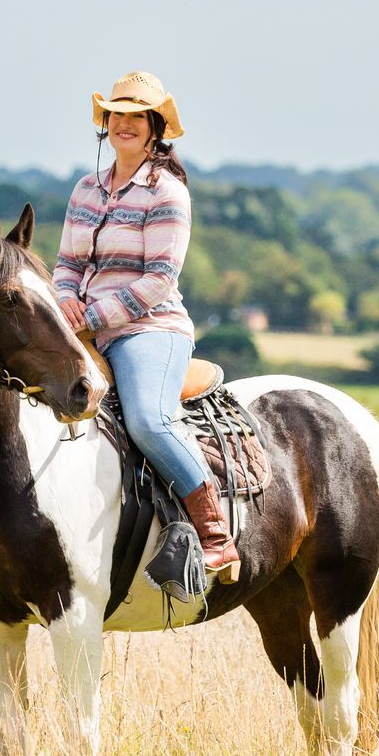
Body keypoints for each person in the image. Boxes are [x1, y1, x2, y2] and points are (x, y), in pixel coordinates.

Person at [53, 71, 239, 582]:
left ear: (156, 127)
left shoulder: (168, 192)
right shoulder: (86, 188)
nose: (126, 124)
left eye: (138, 116)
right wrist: (64, 299)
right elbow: (66, 262)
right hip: (81, 327)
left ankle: (213, 533)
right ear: (106, 124)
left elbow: (159, 280)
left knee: (148, 420)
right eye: (118, 114)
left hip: (148, 330)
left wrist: (89, 317)